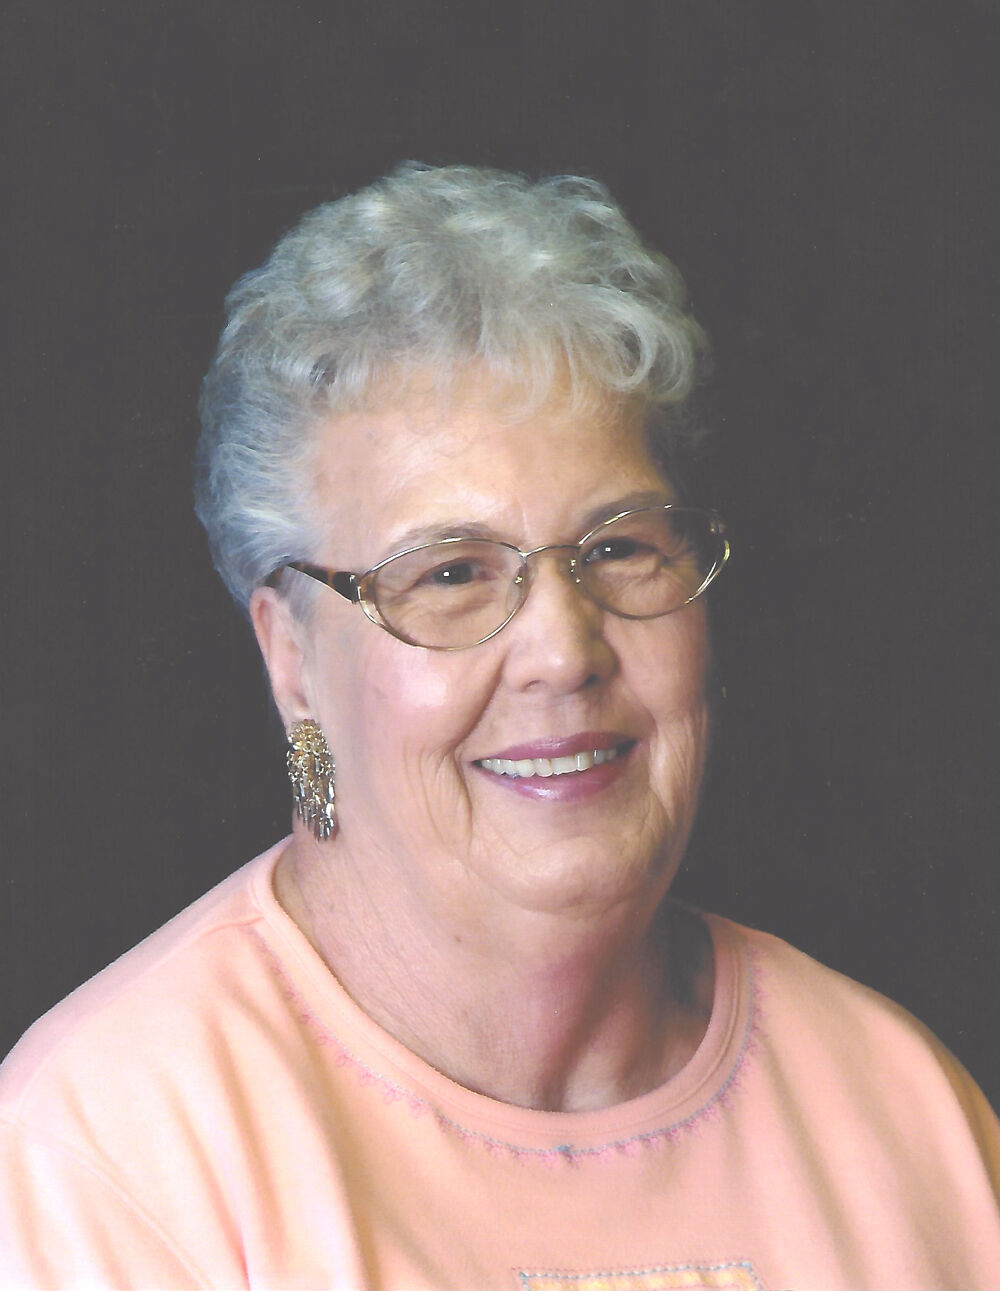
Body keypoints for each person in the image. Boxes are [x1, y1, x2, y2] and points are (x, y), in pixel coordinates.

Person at [1, 164, 998, 1291]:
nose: (564, 651)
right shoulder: (107, 1158)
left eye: (619, 546)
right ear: (292, 660)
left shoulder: (906, 1112)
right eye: (451, 573)